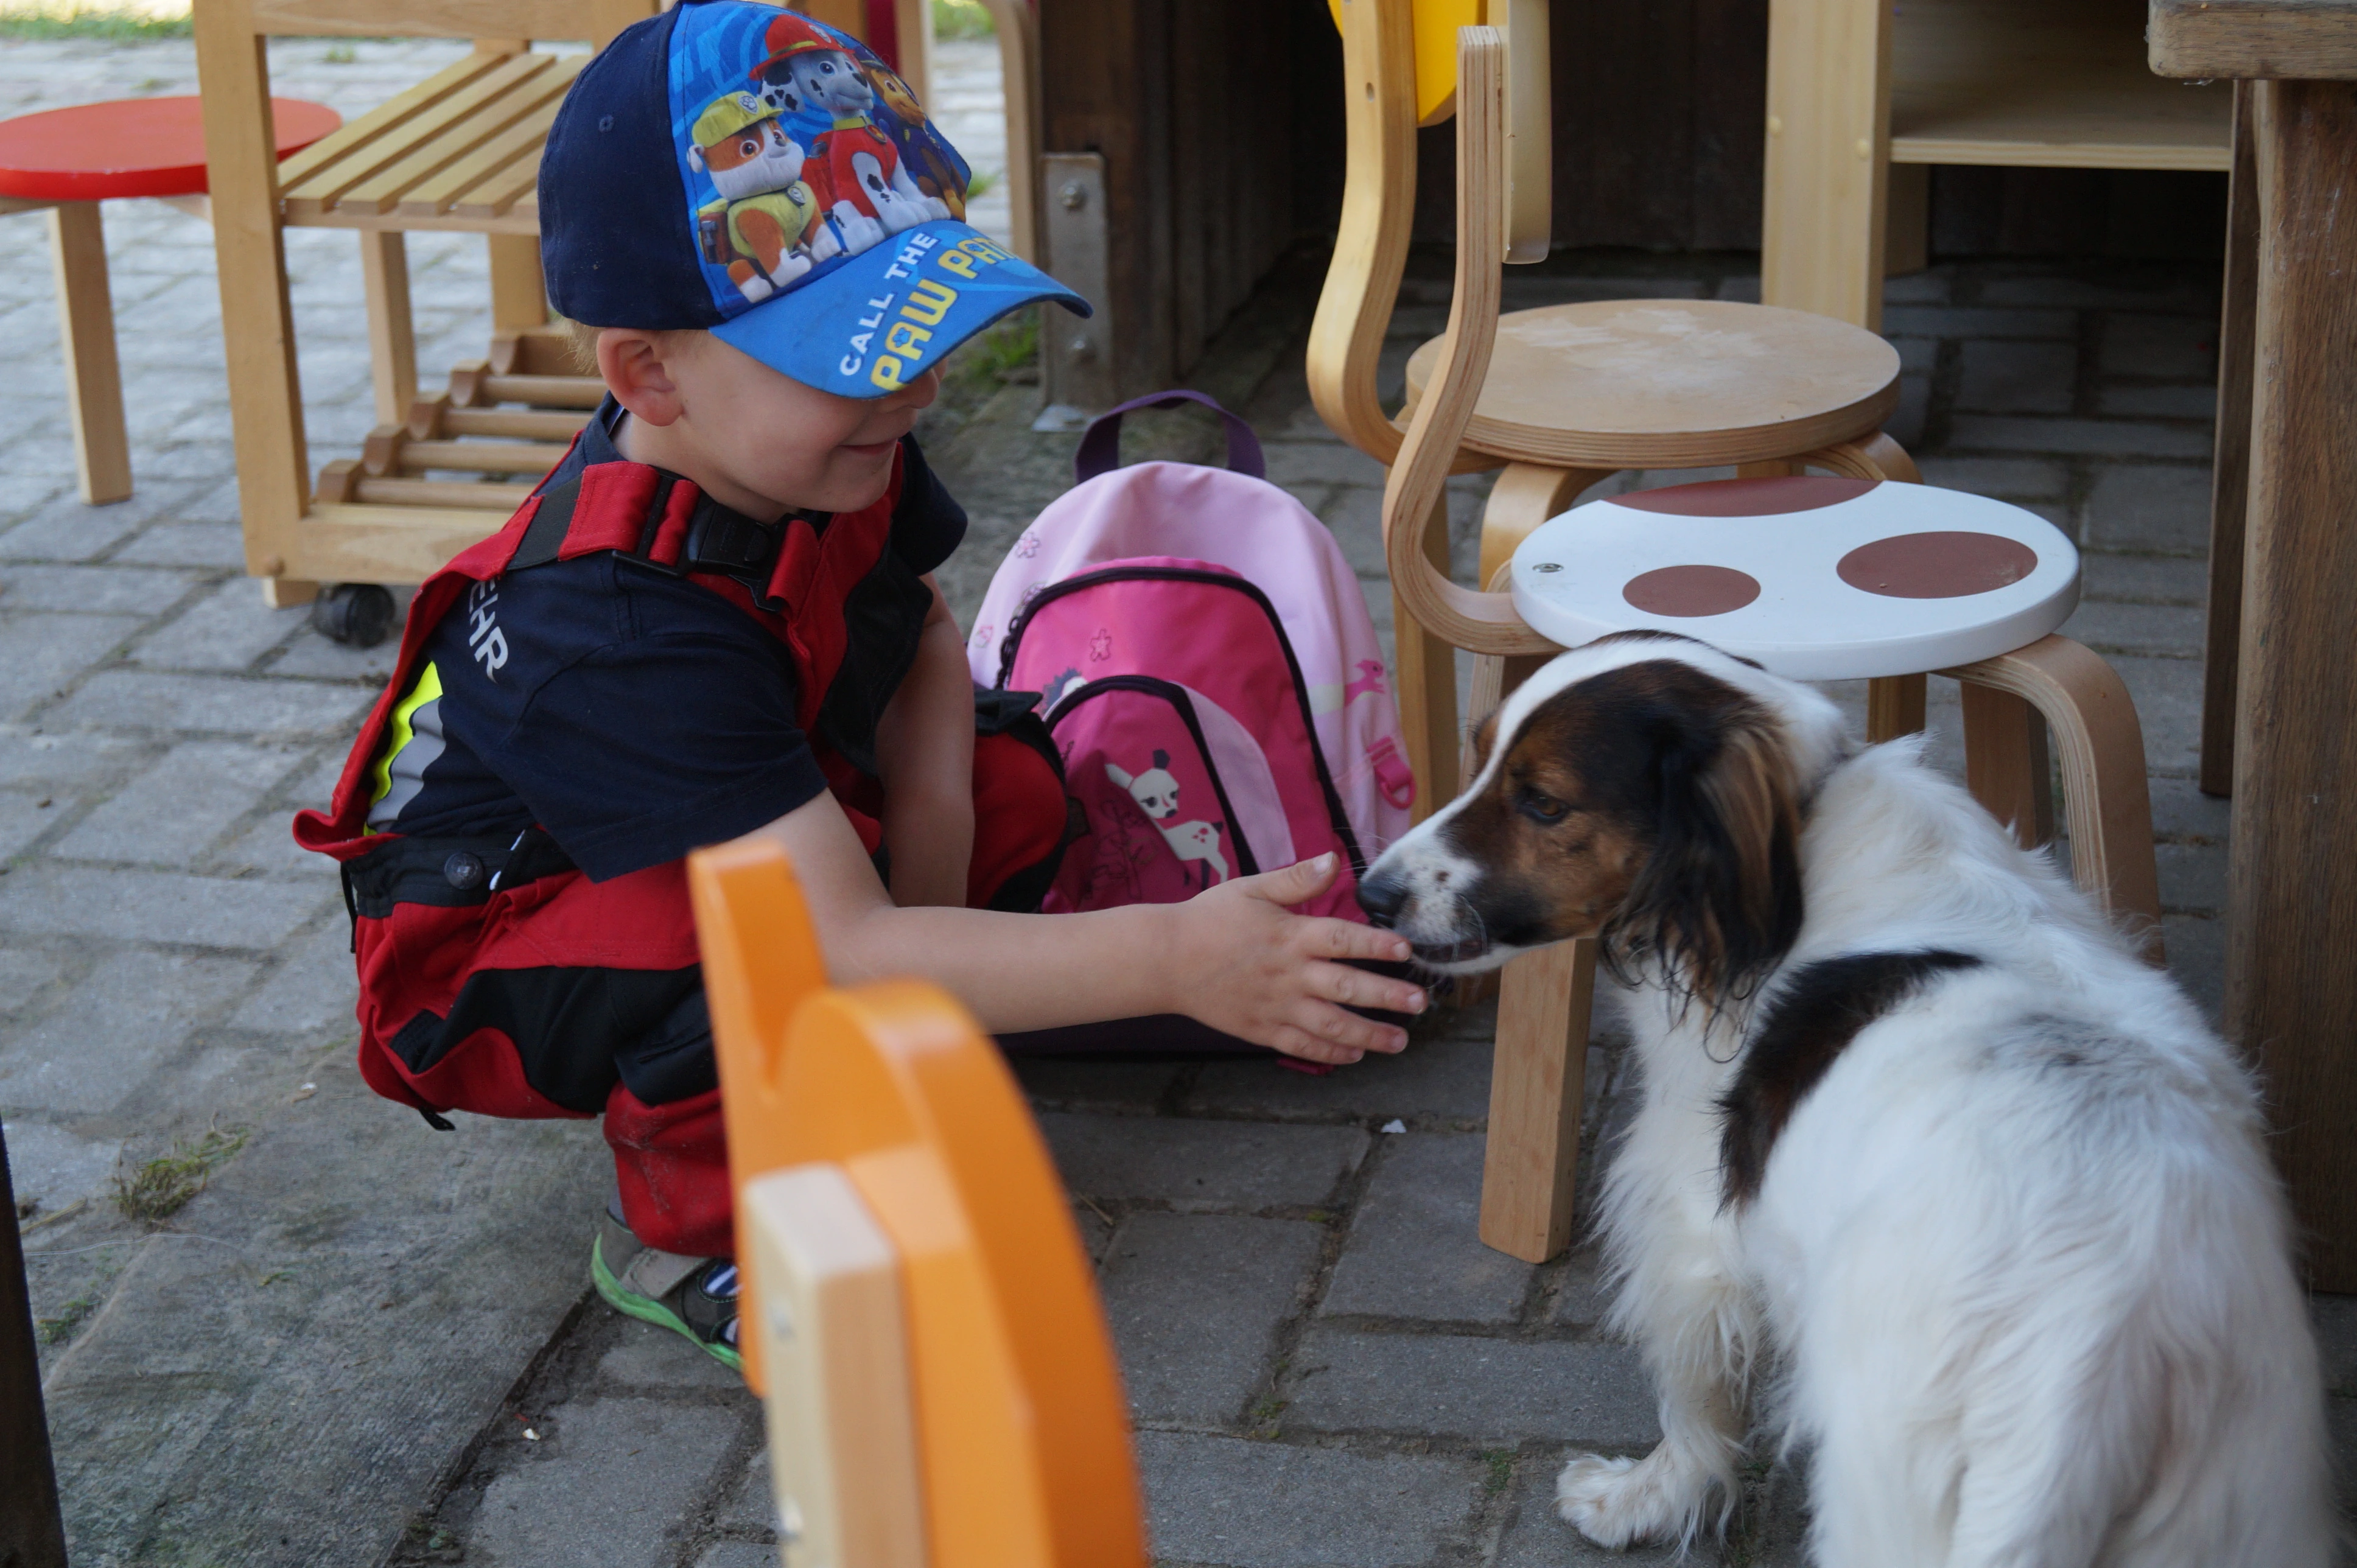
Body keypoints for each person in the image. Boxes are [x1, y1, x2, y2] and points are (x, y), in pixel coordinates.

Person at [296, 0, 1428, 1370]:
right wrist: (1171, 958)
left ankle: (883, 1025)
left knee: (1011, 782)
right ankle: (690, 1232)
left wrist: (928, 907)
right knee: (749, 956)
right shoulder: (613, 633)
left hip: (725, 820)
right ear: (647, 374)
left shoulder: (822, 447)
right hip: (482, 939)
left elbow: (925, 637)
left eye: (923, 327)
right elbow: (822, 942)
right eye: (850, 353)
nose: (914, 387)